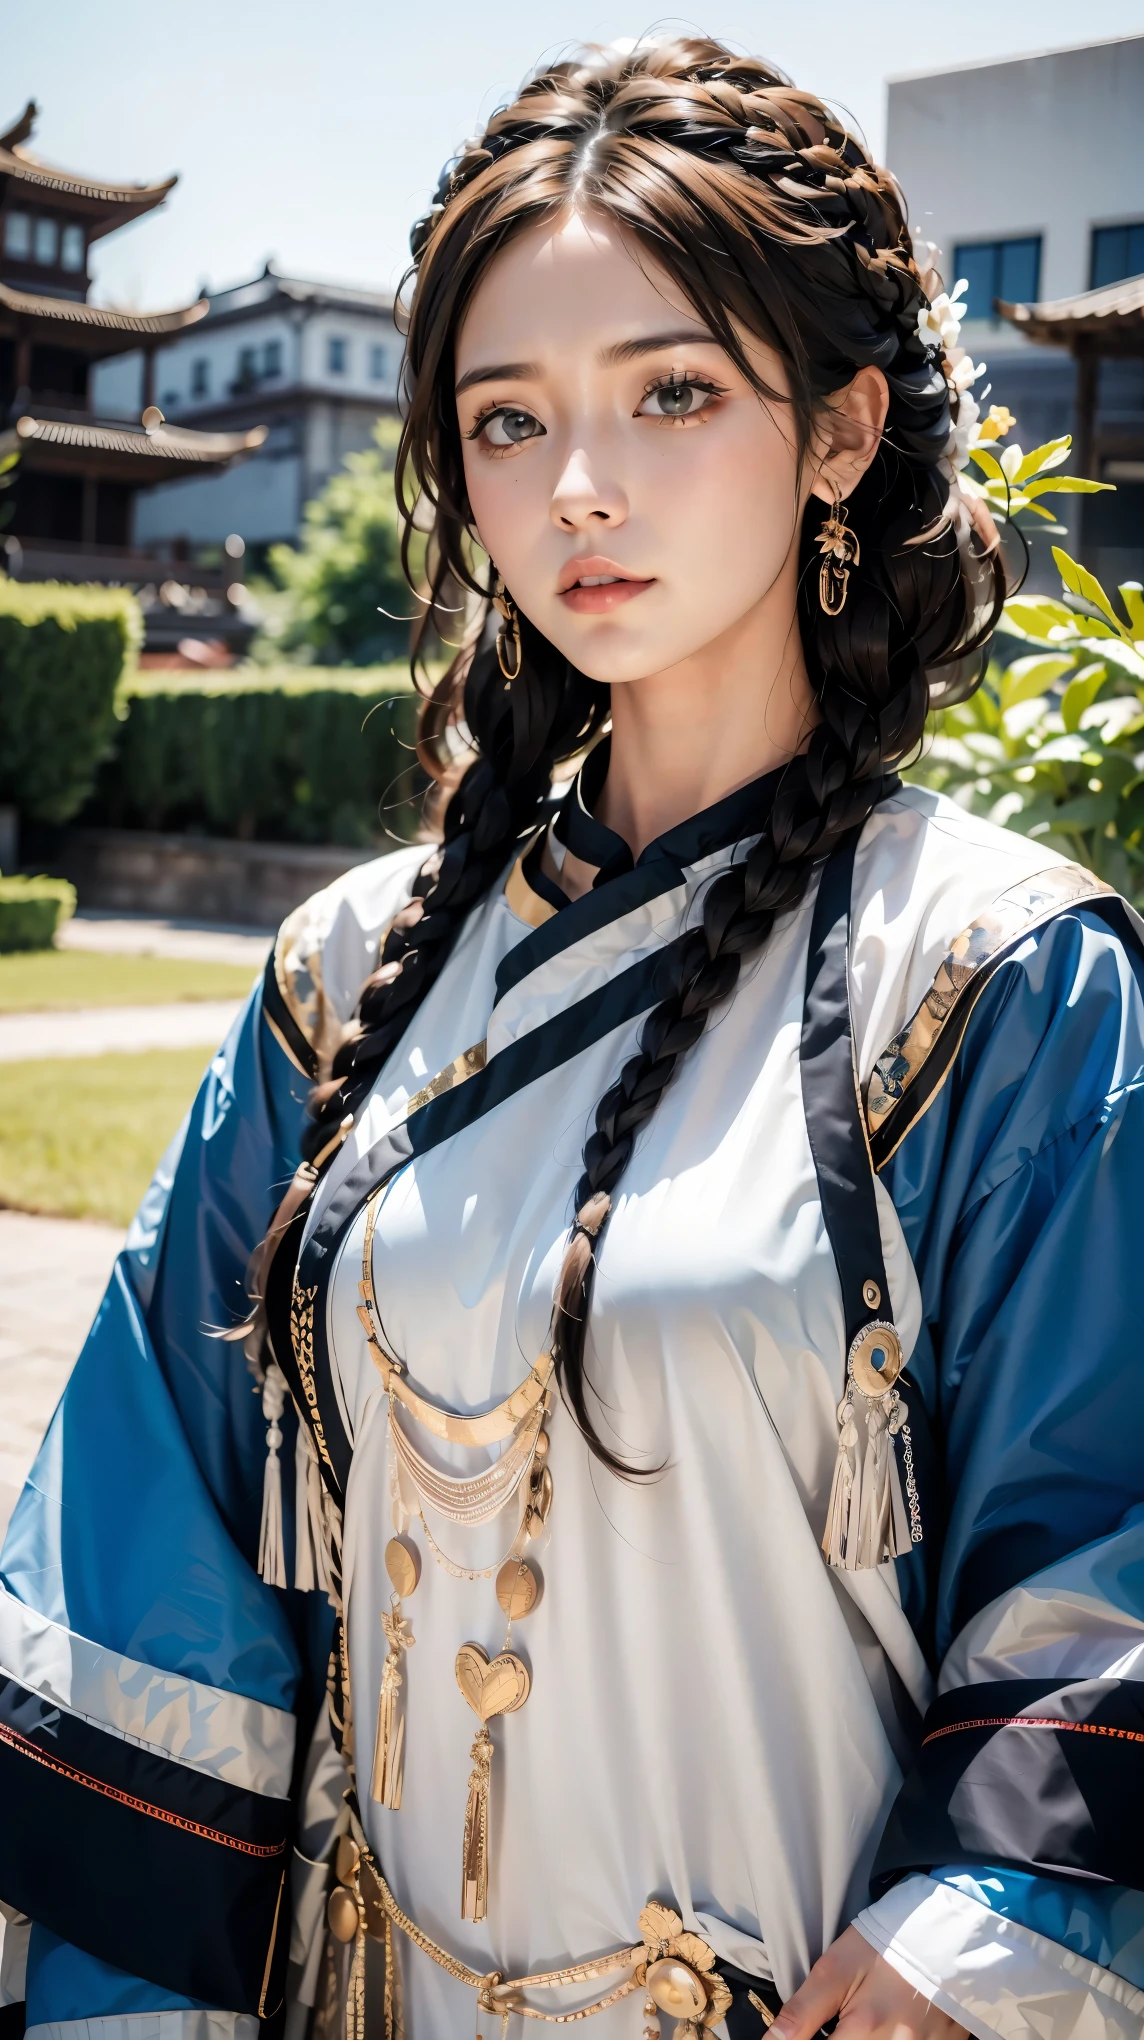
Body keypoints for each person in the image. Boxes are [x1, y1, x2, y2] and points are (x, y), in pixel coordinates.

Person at [3, 36, 1144, 2040]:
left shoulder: (991, 979)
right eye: (507, 421)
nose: (578, 487)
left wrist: (974, 1934)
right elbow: (144, 1567)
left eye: (671, 392)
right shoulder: (339, 982)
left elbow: (1103, 1561)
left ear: (837, 429)